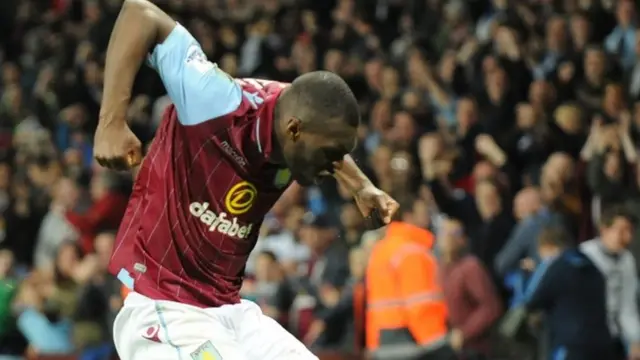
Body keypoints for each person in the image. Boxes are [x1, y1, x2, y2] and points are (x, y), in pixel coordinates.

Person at [92, 1, 399, 359]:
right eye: (329, 155)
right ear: (294, 130)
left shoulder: (301, 119)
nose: (333, 166)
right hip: (163, 305)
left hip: (231, 310)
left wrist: (361, 185)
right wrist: (111, 121)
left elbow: (329, 141)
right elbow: (139, 12)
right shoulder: (215, 101)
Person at [524, 227, 613, 360]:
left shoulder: (554, 265)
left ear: (548, 247)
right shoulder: (591, 265)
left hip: (571, 344)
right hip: (602, 342)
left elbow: (530, 299)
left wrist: (530, 273)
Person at [580, 205, 640, 360]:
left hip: (612, 336)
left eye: (629, 231)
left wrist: (635, 339)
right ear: (604, 230)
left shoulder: (627, 260)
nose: (625, 236)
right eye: (620, 230)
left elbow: (627, 305)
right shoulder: (585, 256)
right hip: (584, 336)